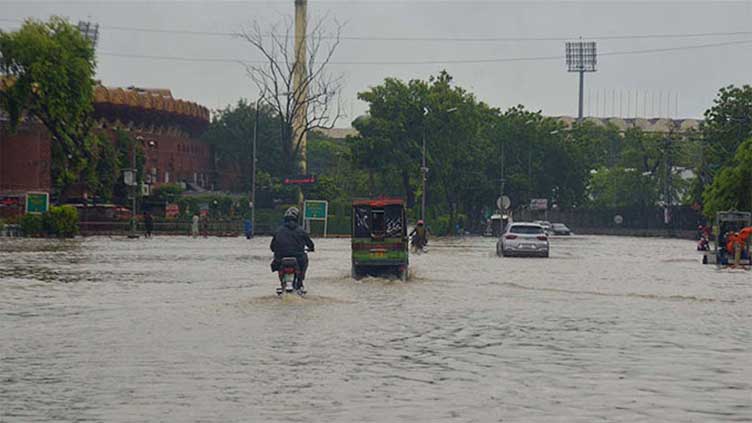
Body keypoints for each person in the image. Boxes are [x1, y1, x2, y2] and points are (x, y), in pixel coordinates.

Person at [270, 207, 315, 288]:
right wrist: (311, 249)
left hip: (281, 258)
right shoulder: (301, 231)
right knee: (304, 261)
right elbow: (310, 244)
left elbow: (272, 246)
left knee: (277, 263)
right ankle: (300, 281)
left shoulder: (278, 231)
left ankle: (283, 282)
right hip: (298, 258)